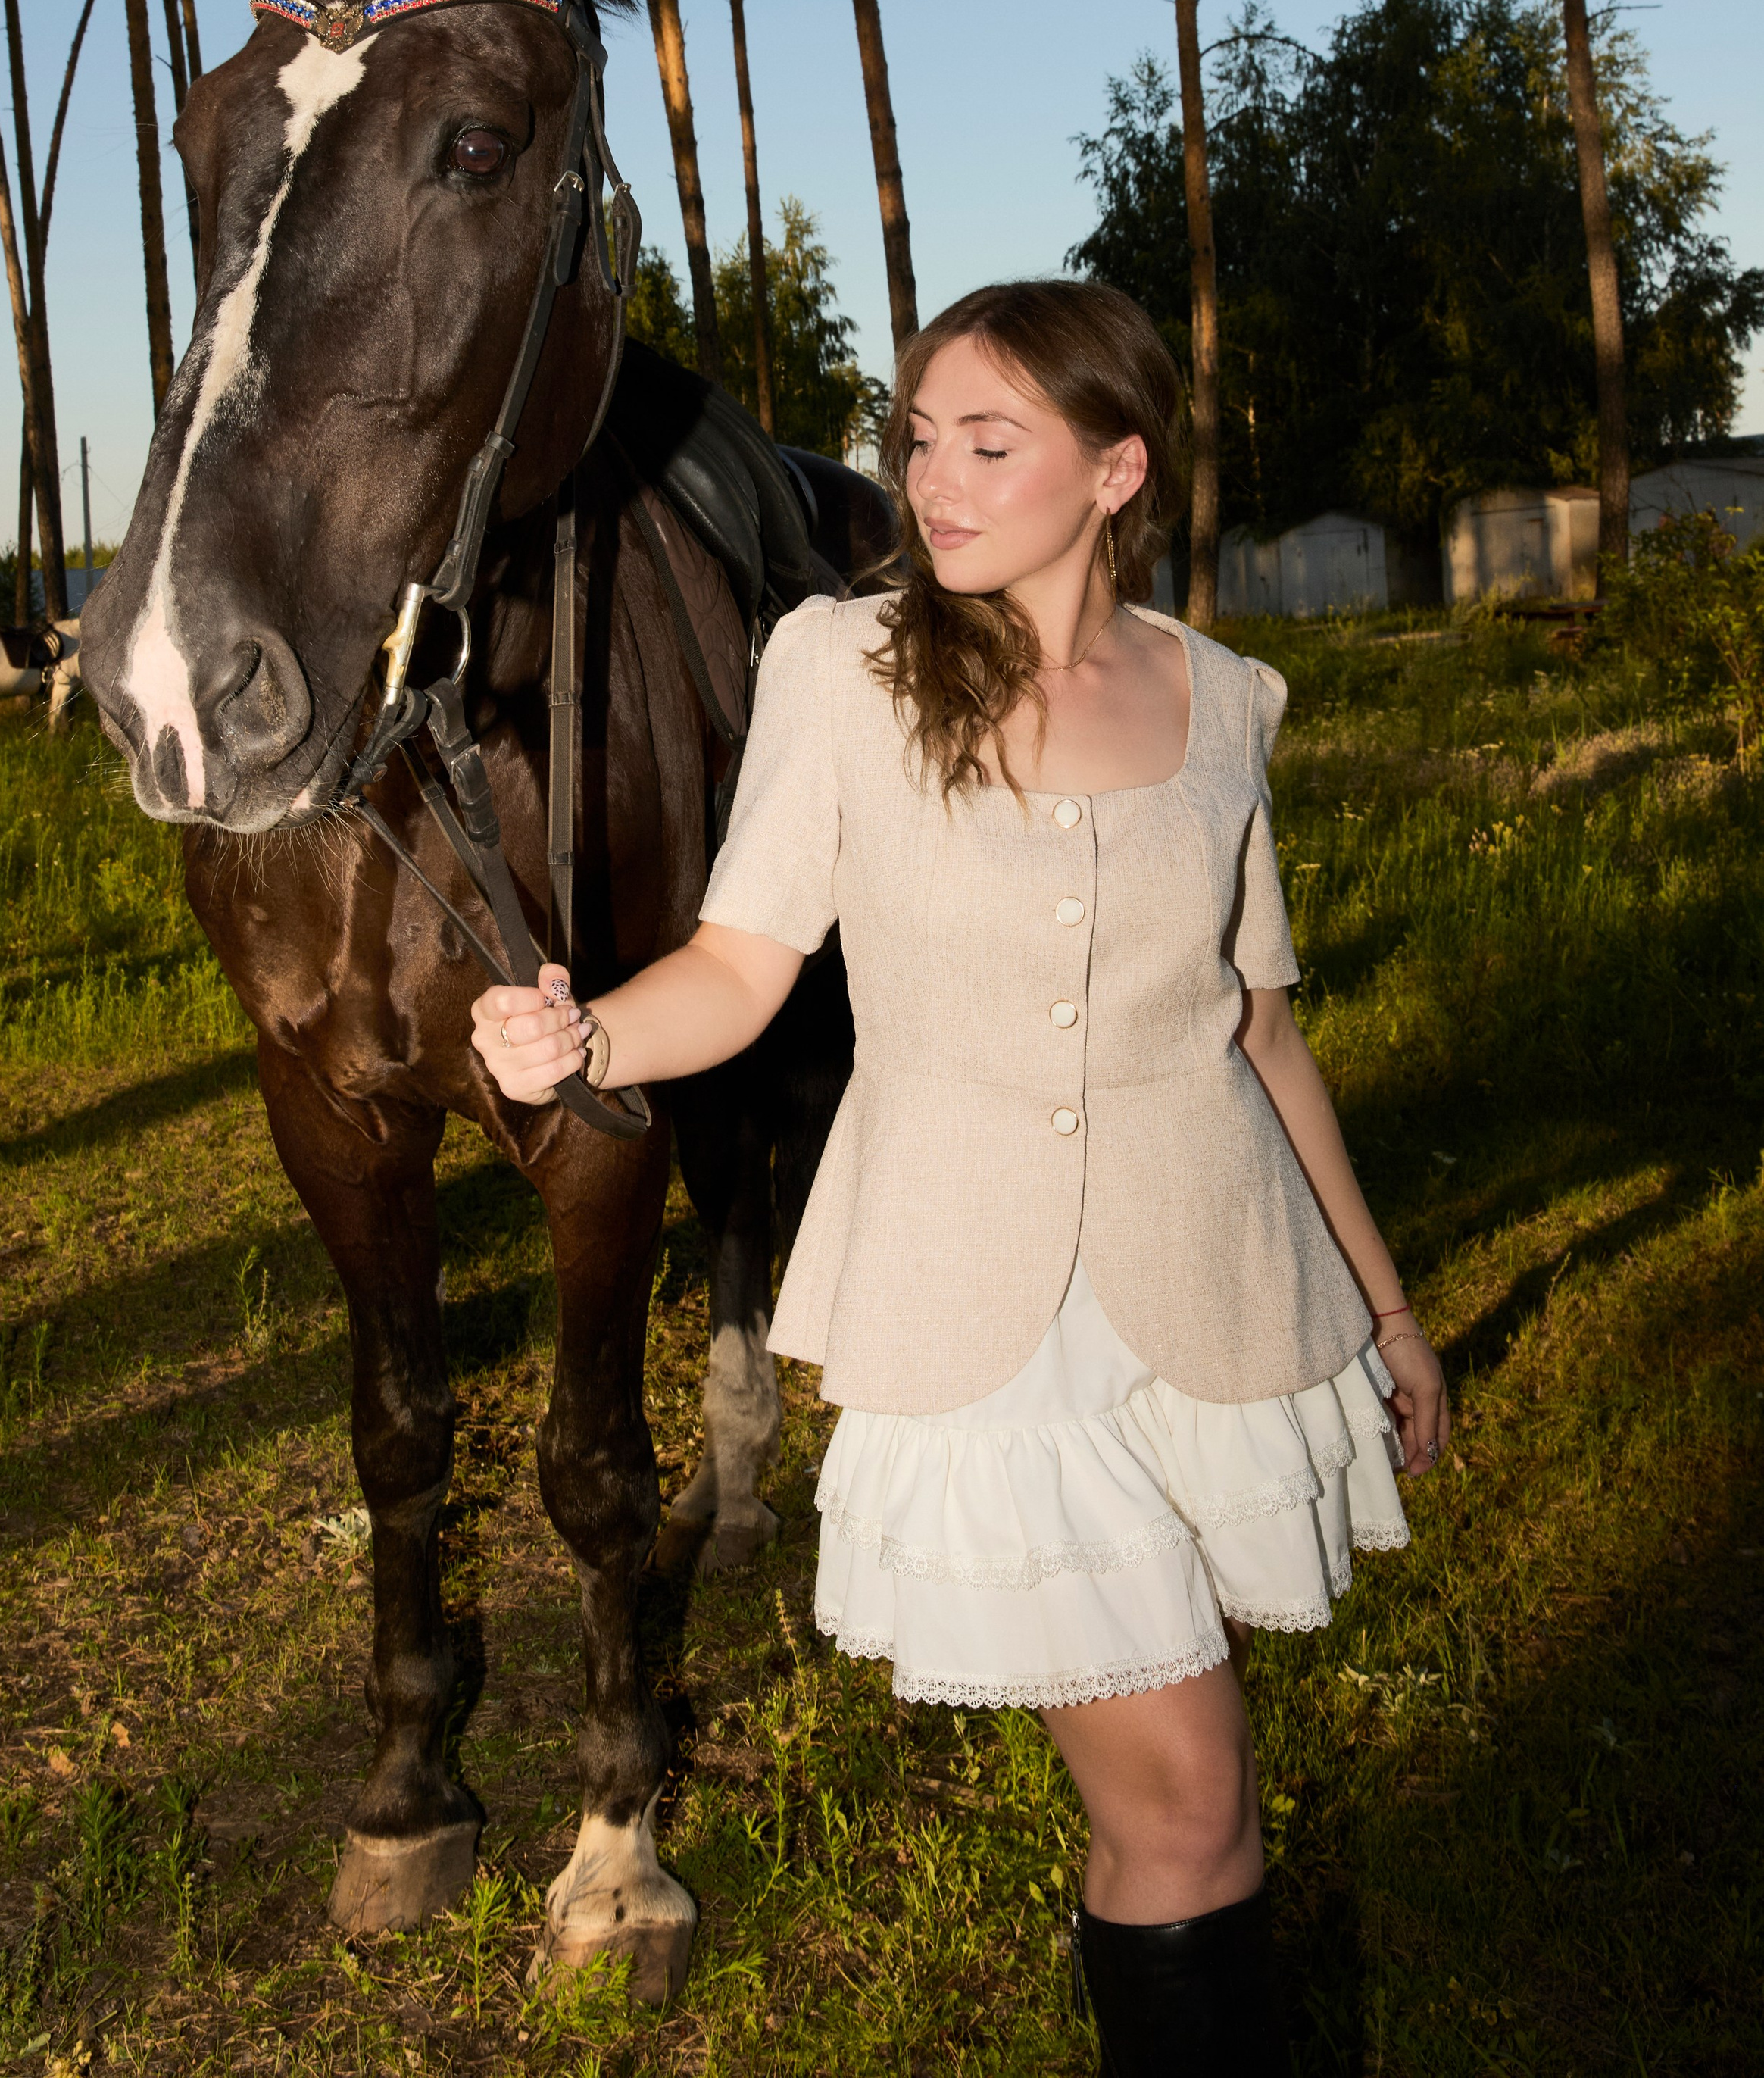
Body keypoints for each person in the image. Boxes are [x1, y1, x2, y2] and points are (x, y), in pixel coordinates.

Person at [473, 279, 1450, 2075]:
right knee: (1186, 1800)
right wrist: (589, 1038)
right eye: (917, 435)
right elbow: (745, 964)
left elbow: (1258, 1030)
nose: (929, 476)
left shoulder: (1224, 700)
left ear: (1115, 466)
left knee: (1186, 1818)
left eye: (988, 442)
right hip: (991, 1338)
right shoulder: (840, 671)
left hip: (1222, 1296)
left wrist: (1383, 1306)